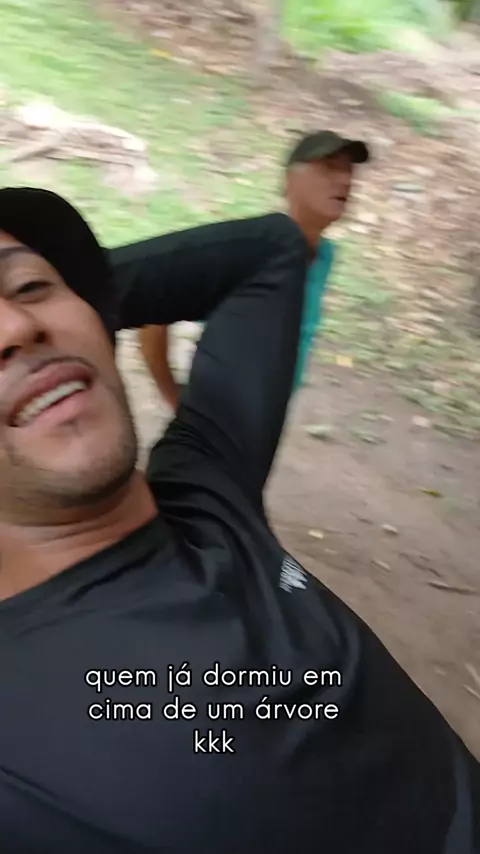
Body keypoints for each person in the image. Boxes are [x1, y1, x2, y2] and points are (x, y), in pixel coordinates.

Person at [0, 186, 478, 854]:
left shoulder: (208, 490)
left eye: (31, 285)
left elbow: (269, 251)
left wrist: (82, 310)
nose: (17, 326)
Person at [139, 130, 367, 410]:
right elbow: (153, 314)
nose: (345, 180)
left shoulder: (325, 256)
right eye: (329, 167)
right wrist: (171, 395)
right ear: (290, 180)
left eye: (348, 171)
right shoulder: (246, 252)